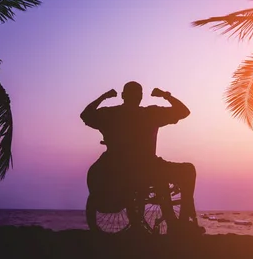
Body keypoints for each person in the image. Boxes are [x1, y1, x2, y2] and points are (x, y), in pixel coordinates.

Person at [80, 81, 204, 234]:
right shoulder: (150, 114)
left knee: (160, 179)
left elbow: (85, 115)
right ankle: (182, 222)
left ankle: (175, 224)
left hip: (118, 169)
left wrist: (104, 97)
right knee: (188, 170)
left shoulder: (110, 114)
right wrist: (165, 95)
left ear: (123, 96)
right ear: (140, 97)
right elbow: (183, 111)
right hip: (148, 168)